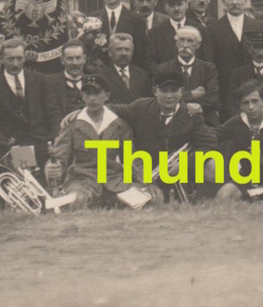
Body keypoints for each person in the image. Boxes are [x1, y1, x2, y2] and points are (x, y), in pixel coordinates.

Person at [45, 74, 163, 209]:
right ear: (82, 96)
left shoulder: (119, 125)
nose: (92, 98)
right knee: (76, 202)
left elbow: (132, 159)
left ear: (106, 96)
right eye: (88, 94)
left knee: (146, 201)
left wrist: (148, 182)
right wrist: (52, 169)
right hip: (83, 181)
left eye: (97, 93)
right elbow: (59, 158)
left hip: (115, 182)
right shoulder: (72, 125)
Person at [106, 69, 219, 202]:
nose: (169, 96)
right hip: (148, 174)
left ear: (181, 91)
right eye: (164, 91)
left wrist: (184, 164)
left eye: (174, 90)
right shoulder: (141, 107)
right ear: (155, 91)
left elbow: (210, 145)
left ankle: (202, 198)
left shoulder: (191, 114)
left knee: (213, 165)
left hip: (179, 173)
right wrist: (81, 111)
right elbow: (112, 108)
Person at [0, 38, 55, 204]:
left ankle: (44, 200)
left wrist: (53, 139)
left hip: (41, 141)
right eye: (10, 59)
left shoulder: (41, 80)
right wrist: (5, 143)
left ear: (24, 58)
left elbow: (52, 113)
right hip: (13, 144)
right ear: (2, 60)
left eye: (19, 58)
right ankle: (15, 203)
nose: (15, 63)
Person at [213, 80, 263, 202]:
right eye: (246, 103)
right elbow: (212, 136)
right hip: (246, 177)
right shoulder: (236, 122)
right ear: (240, 106)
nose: (251, 107)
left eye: (255, 101)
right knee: (223, 195)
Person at [200, 0, 260, 119]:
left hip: (253, 90)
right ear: (223, 2)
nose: (234, 2)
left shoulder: (257, 26)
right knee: (232, 132)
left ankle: (254, 142)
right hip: (226, 93)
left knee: (254, 131)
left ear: (245, 1)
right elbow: (209, 63)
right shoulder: (213, 29)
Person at [153, 25, 220, 126]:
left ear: (198, 45)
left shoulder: (208, 68)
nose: (185, 45)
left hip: (204, 119)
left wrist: (198, 106)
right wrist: (192, 94)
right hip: (173, 121)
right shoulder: (163, 69)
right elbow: (160, 97)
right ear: (176, 43)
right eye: (181, 40)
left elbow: (213, 98)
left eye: (190, 41)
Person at [91, 0, 155, 72]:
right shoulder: (92, 18)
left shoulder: (136, 20)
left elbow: (140, 53)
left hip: (127, 72)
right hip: (100, 73)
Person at [43, 40, 90, 137]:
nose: (74, 63)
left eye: (78, 58)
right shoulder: (49, 83)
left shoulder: (94, 81)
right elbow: (51, 117)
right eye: (70, 59)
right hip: (62, 137)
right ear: (62, 60)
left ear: (84, 59)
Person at [148, 0, 196, 65]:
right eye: (171, 5)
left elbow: (205, 62)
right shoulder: (156, 33)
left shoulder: (199, 29)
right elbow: (150, 62)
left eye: (179, 4)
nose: (176, 9)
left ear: (187, 5)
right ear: (165, 7)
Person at [98, 33, 151, 103]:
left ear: (132, 52)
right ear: (109, 52)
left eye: (127, 49)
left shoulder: (142, 75)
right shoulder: (101, 76)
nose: (124, 53)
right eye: (119, 49)